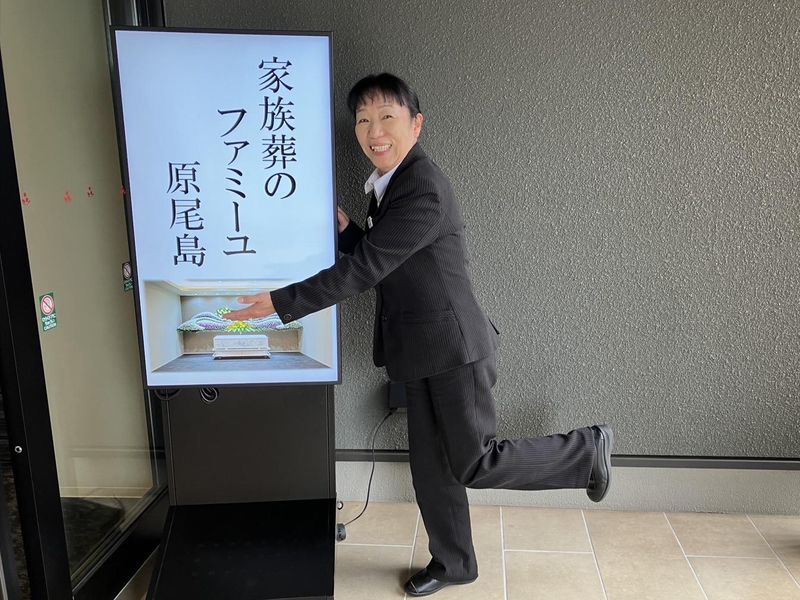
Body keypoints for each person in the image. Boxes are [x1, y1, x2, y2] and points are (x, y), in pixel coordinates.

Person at [224, 73, 613, 597]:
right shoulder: (392, 185)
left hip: (454, 349)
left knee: (474, 461)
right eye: (364, 120)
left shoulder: (422, 187)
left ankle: (587, 451)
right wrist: (347, 230)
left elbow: (367, 269)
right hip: (423, 350)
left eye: (387, 117)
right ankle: (454, 564)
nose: (374, 132)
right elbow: (389, 256)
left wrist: (281, 303)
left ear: (416, 124)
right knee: (432, 470)